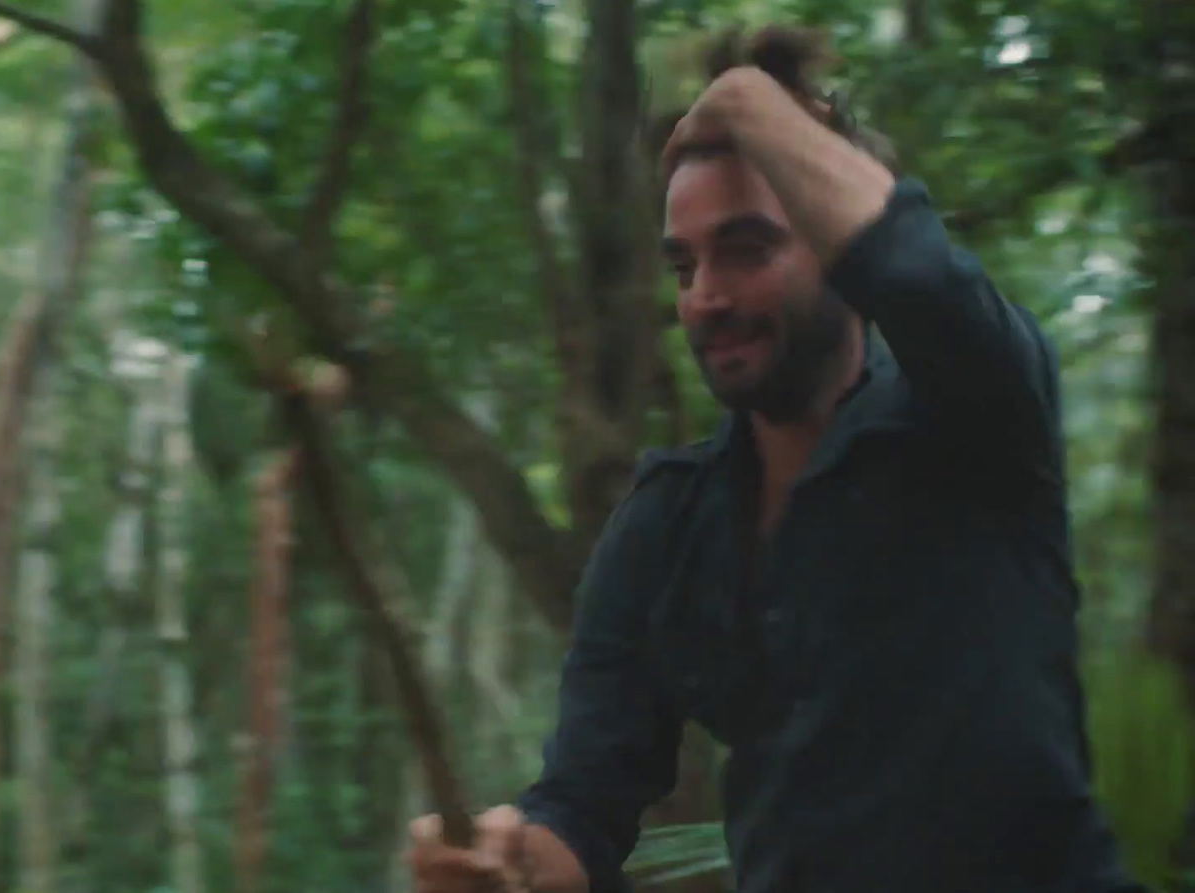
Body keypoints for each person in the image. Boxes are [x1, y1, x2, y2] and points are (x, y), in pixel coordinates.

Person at [405, 27, 1146, 893]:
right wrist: (509, 856)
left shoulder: (978, 419)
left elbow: (918, 274)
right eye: (685, 265)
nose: (707, 296)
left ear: (841, 253)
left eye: (747, 249)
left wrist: (746, 98)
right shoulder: (667, 522)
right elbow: (584, 805)